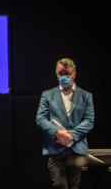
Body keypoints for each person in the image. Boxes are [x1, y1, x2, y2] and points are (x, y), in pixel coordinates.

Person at [36, 58, 94, 189]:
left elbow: (89, 121)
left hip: (77, 148)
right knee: (59, 185)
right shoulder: (47, 95)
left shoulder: (86, 96)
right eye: (60, 74)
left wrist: (69, 135)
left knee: (74, 185)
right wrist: (57, 132)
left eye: (66, 74)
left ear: (74, 74)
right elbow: (40, 118)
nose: (63, 77)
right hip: (55, 148)